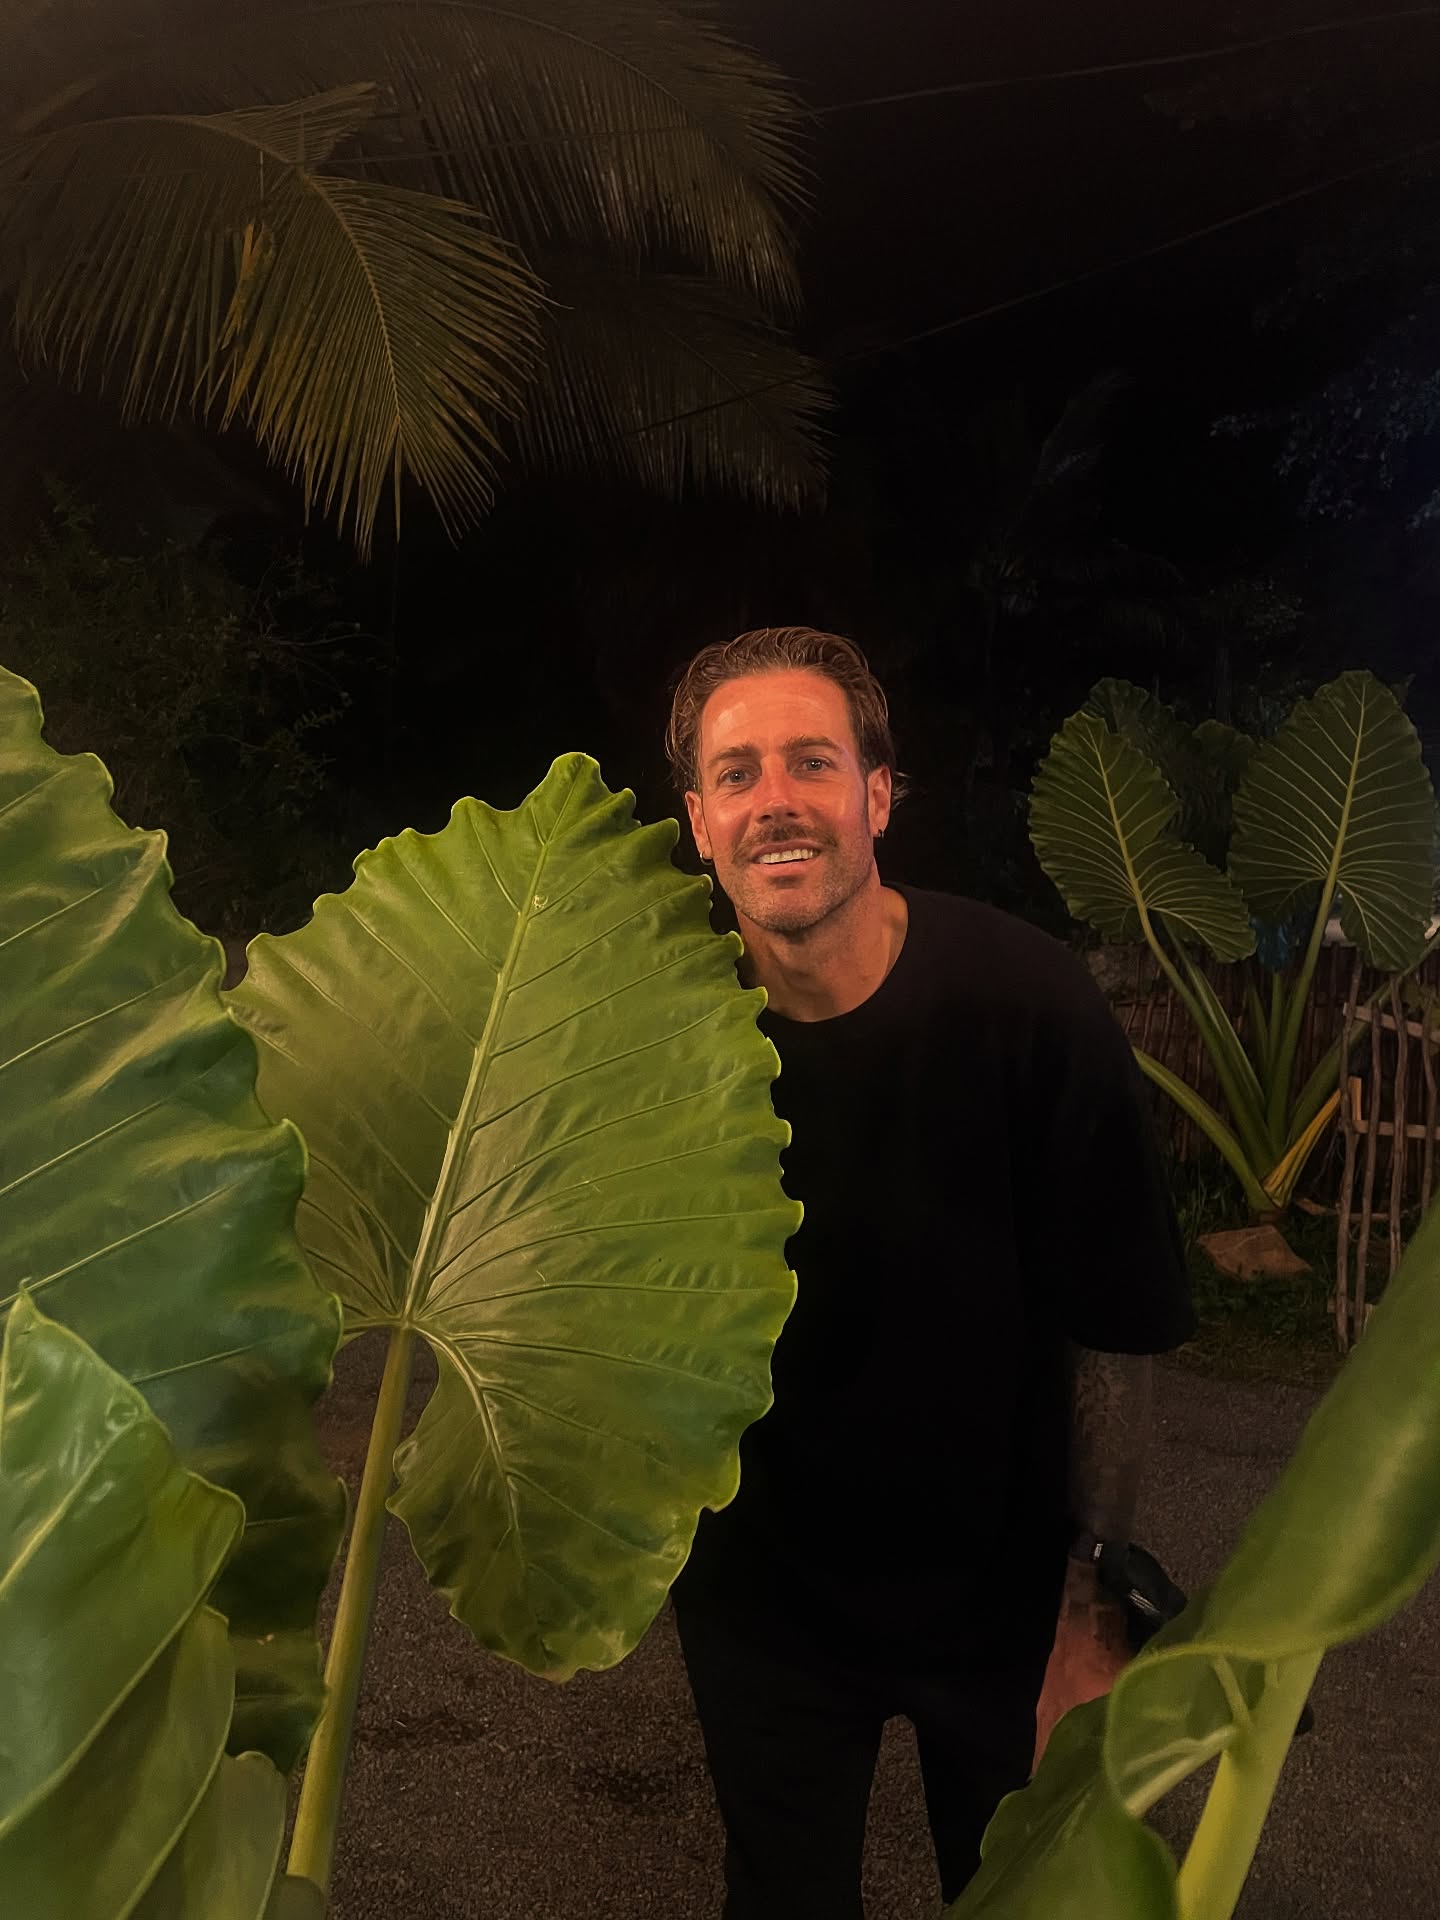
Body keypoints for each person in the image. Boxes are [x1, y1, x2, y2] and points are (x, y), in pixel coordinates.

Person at [663, 626, 1194, 1917]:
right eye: (737, 774)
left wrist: (1092, 1597)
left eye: (811, 761)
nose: (775, 799)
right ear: (697, 821)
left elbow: (1113, 1326)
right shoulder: (655, 1035)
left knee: (1020, 1896)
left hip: (1001, 1588)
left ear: (877, 795)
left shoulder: (1028, 1006)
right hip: (762, 1598)